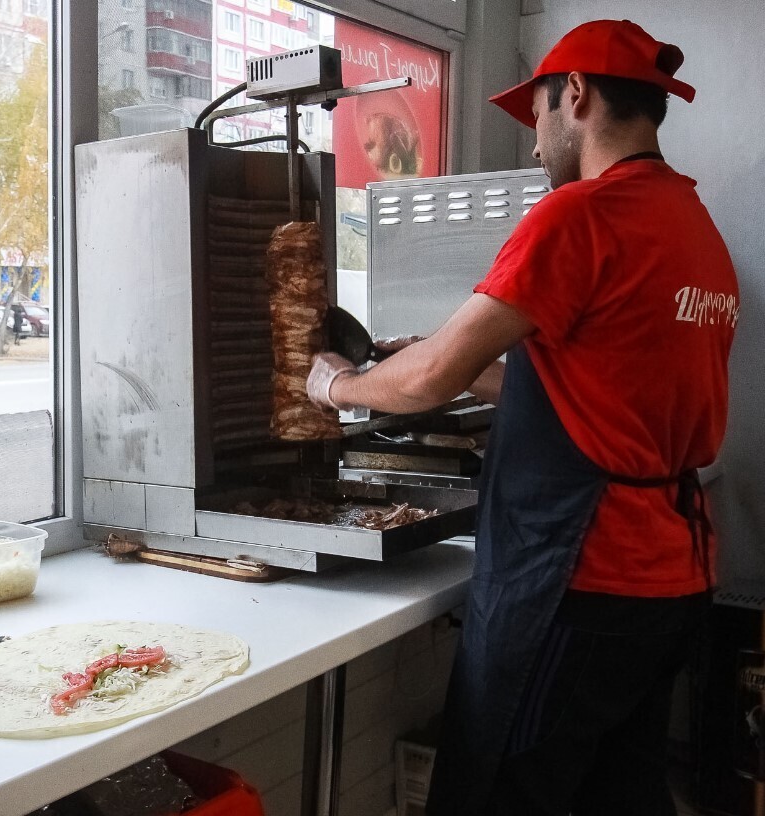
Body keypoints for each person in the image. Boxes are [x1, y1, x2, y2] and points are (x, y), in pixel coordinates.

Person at [306, 20, 737, 816]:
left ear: (573, 95)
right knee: (623, 799)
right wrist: (463, 358)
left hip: (579, 581)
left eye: (535, 117)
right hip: (676, 577)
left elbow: (432, 378)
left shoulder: (580, 216)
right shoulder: (695, 231)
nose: (535, 149)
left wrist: (338, 385)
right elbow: (603, 388)